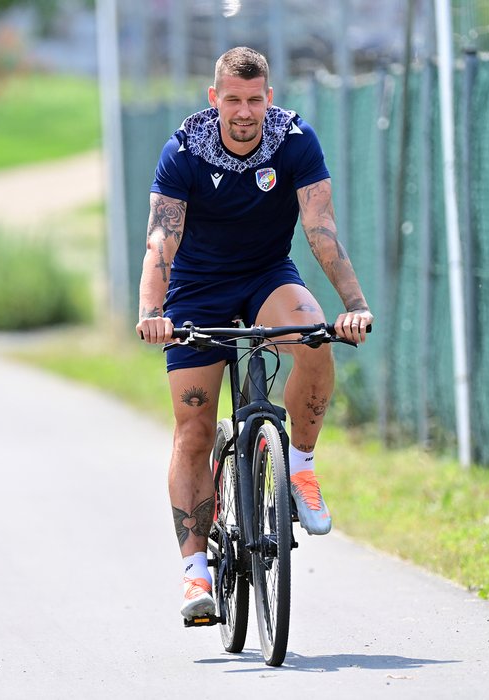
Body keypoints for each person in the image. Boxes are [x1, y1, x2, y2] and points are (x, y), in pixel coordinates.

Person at [135, 47, 374, 620]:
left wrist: (355, 306)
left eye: (255, 99)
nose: (245, 112)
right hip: (197, 289)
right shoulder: (183, 152)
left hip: (267, 277)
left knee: (315, 342)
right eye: (233, 100)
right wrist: (152, 310)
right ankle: (196, 575)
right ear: (214, 98)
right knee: (193, 428)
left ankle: (301, 465)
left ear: (269, 96)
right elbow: (160, 242)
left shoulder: (295, 141)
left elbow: (320, 231)